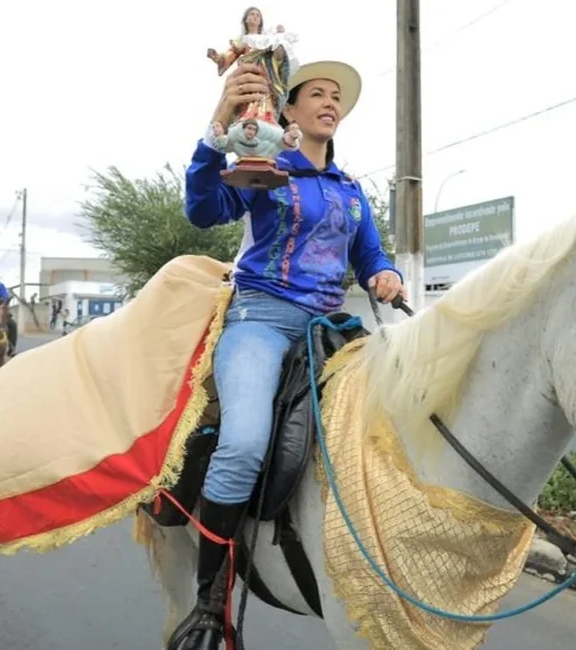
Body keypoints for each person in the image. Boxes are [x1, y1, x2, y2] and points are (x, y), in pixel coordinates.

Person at [168, 59, 406, 648]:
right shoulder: (265, 168)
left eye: (336, 97)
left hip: (331, 329)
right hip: (262, 319)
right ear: (288, 111)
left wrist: (387, 274)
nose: (330, 103)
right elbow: (203, 211)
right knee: (245, 440)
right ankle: (207, 602)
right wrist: (216, 127)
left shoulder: (350, 190)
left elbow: (370, 255)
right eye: (317, 95)